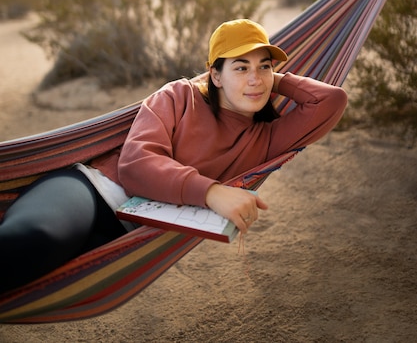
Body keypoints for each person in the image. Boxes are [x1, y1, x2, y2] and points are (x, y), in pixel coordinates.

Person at [0, 19, 347, 295]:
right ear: (215, 74)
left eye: (264, 67)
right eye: (240, 68)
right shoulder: (179, 96)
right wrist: (212, 192)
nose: (255, 79)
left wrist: (274, 79)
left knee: (40, 279)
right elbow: (136, 166)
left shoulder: (266, 138)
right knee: (32, 244)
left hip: (127, 232)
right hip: (91, 191)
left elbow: (331, 101)